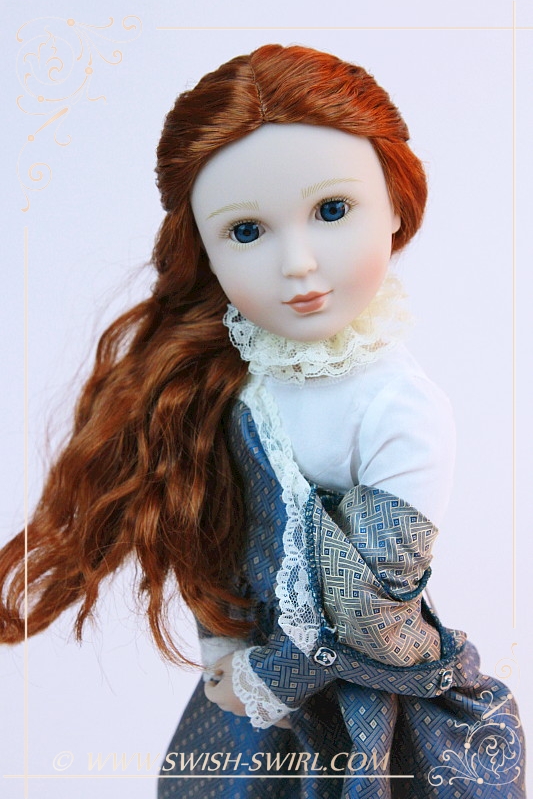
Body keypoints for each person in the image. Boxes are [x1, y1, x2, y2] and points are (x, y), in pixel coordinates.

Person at [0, 44, 525, 798]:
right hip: (247, 686)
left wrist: (266, 678)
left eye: (332, 211)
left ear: (396, 203)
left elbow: (374, 609)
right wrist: (223, 645)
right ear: (204, 250)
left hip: (359, 703)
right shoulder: (231, 374)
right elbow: (215, 531)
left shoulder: (398, 406)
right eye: (246, 231)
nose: (299, 264)